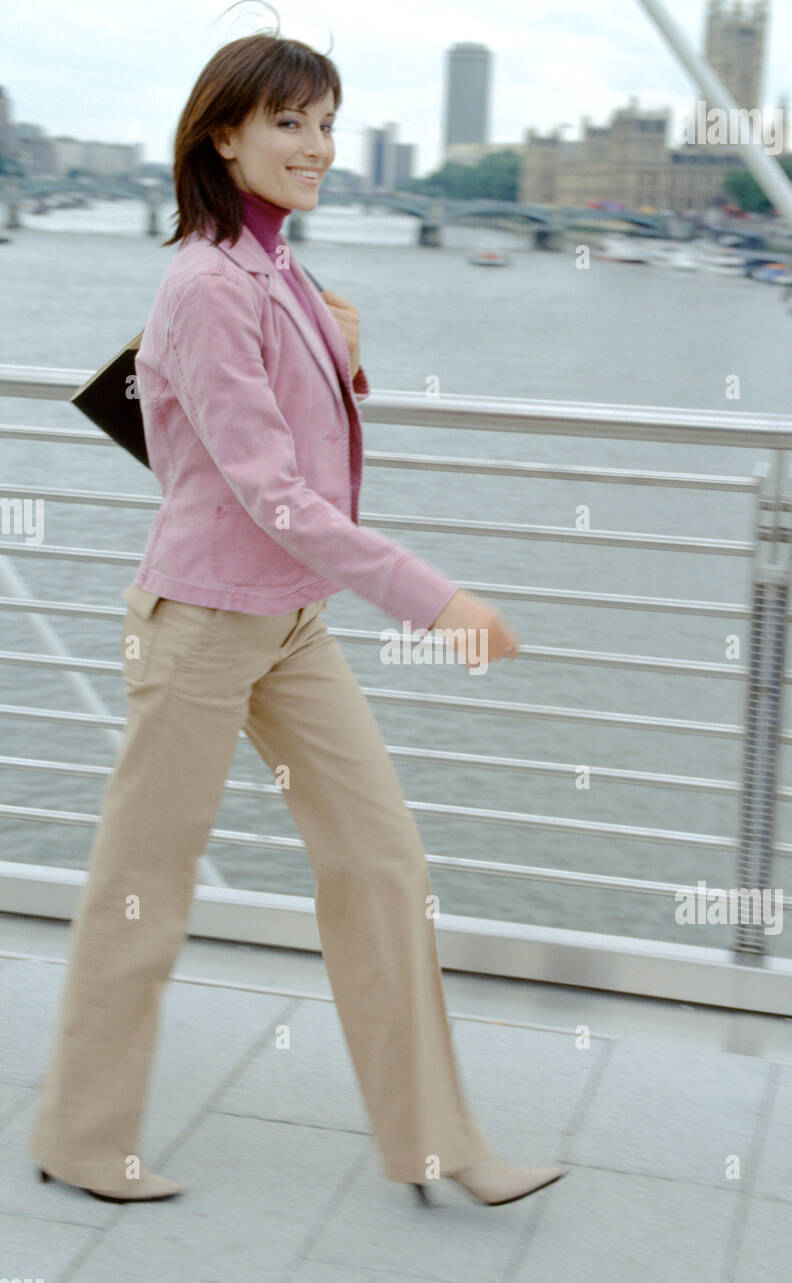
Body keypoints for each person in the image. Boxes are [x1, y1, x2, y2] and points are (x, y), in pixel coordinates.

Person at [29, 28, 568, 1210]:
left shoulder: (279, 271)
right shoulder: (208, 283)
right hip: (202, 624)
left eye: (326, 122)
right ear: (222, 133)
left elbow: (285, 446)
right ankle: (79, 1131)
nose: (317, 146)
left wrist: (345, 357)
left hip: (288, 623)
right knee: (144, 885)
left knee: (382, 862)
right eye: (290, 123)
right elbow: (271, 494)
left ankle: (436, 1140)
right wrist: (436, 599)